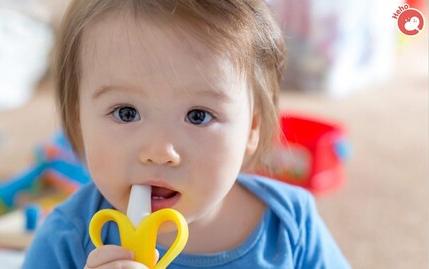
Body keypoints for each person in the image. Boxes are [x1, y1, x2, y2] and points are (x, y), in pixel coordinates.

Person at [23, 0, 350, 268]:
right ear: (79, 121)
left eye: (198, 116)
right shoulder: (67, 238)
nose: (160, 151)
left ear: (252, 129)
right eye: (126, 113)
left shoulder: (290, 226)